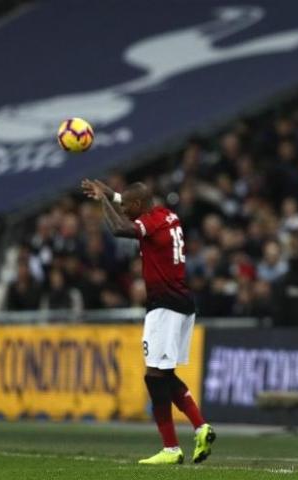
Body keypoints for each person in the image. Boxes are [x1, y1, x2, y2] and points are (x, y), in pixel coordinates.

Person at [82, 179, 215, 465]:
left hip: (164, 305)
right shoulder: (167, 214)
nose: (126, 212)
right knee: (163, 374)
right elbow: (132, 204)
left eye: (128, 208)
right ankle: (201, 426)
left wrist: (103, 202)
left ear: (139, 206)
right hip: (183, 304)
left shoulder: (149, 222)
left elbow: (119, 229)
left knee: (153, 377)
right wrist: (111, 194)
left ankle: (170, 448)